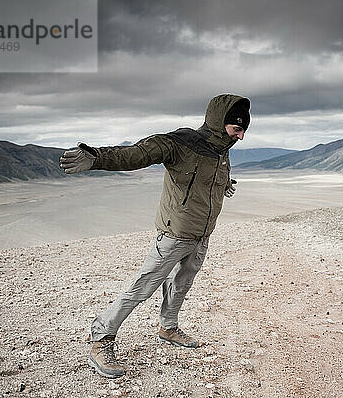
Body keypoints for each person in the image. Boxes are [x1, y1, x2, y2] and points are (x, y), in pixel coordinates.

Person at [59, 93, 250, 378]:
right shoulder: (179, 144)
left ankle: (168, 328)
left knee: (181, 284)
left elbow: (202, 180)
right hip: (174, 234)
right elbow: (136, 154)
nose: (241, 136)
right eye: (237, 129)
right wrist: (97, 157)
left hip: (201, 235)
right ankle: (101, 338)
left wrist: (224, 185)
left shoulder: (221, 151)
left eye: (244, 130)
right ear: (221, 122)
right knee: (142, 287)